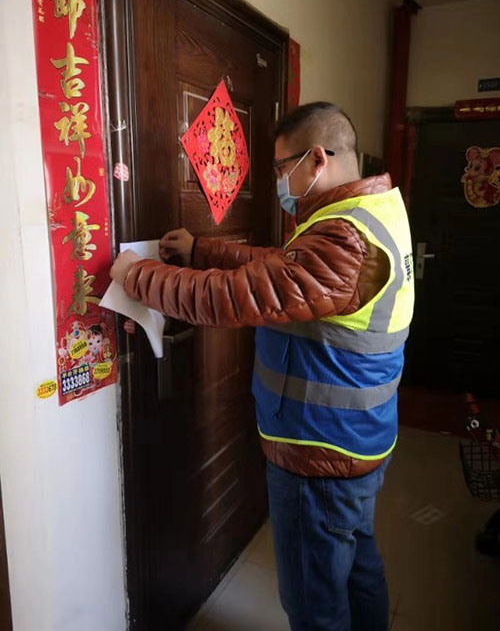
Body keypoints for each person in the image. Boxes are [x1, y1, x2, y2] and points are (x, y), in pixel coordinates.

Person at [110, 102, 414, 631]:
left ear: (316, 159)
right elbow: (285, 271)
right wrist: (203, 250)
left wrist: (137, 276)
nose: (277, 182)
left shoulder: (346, 238)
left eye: (280, 168)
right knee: (357, 567)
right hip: (359, 438)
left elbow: (234, 298)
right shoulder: (369, 213)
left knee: (315, 604)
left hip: (321, 451)